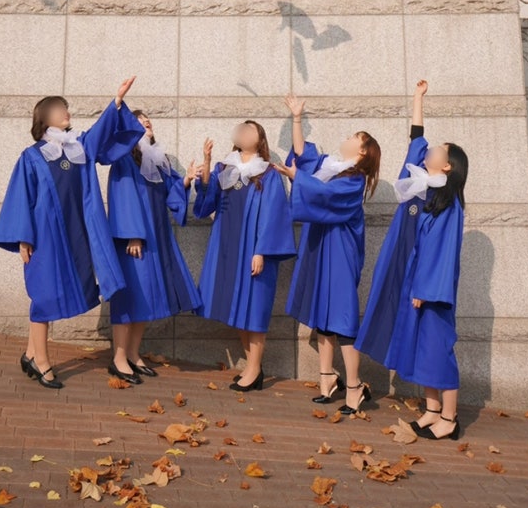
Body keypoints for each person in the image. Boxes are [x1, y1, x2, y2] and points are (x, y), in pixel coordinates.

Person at [0, 77, 143, 388]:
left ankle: (31, 353)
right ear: (45, 117)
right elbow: (21, 197)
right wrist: (23, 236)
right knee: (44, 294)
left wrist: (116, 102)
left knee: (57, 291)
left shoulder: (79, 148)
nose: (67, 112)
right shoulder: (32, 156)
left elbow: (103, 133)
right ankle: (41, 361)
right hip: (43, 235)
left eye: (67, 108)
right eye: (60, 109)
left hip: (75, 233)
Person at [354, 80, 468, 439]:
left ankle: (450, 417)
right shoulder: (421, 187)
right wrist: (417, 100)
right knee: (423, 349)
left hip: (433, 291)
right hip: (417, 282)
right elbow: (416, 139)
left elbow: (439, 252)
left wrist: (423, 288)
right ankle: (432, 409)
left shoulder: (449, 204)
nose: (429, 151)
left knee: (438, 350)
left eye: (438, 151)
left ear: (448, 167)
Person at [273, 96, 381, 416]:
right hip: (322, 248)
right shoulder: (330, 166)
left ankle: (354, 386)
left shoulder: (353, 179)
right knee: (323, 317)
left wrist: (296, 178)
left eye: (354, 137)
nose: (347, 138)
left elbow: (323, 193)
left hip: (340, 252)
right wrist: (296, 118)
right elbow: (304, 157)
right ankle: (326, 379)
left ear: (362, 151)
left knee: (343, 319)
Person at [193, 120, 296, 392]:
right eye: (242, 129)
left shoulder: (268, 173)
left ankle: (253, 369)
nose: (244, 133)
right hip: (227, 246)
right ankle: (254, 368)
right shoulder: (224, 168)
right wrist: (206, 162)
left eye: (251, 130)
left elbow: (274, 214)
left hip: (254, 248)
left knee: (255, 307)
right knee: (235, 307)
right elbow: (206, 203)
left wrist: (261, 250)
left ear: (260, 138)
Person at [105, 110, 202, 383]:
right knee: (129, 297)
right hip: (134, 239)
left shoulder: (158, 160)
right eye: (138, 119)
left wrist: (186, 180)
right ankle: (119, 358)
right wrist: (133, 234)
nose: (146, 121)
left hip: (156, 237)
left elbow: (171, 195)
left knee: (144, 297)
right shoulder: (123, 158)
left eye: (148, 118)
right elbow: (121, 196)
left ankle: (134, 355)